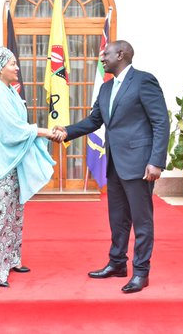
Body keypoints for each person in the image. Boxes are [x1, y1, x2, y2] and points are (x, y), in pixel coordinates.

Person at [55, 40, 170, 293]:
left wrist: (156, 161)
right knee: (118, 218)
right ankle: (117, 263)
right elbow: (95, 121)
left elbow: (161, 121)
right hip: (115, 163)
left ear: (121, 54)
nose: (102, 57)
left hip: (140, 164)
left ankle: (141, 272)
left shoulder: (143, 81)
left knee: (142, 220)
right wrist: (67, 131)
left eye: (105, 53)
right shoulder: (106, 88)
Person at [0, 47, 64, 288]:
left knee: (11, 217)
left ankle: (8, 259)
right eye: (12, 63)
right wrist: (45, 132)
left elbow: (17, 124)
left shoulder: (6, 90)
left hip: (10, 164)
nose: (17, 67)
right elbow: (12, 130)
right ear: (0, 69)